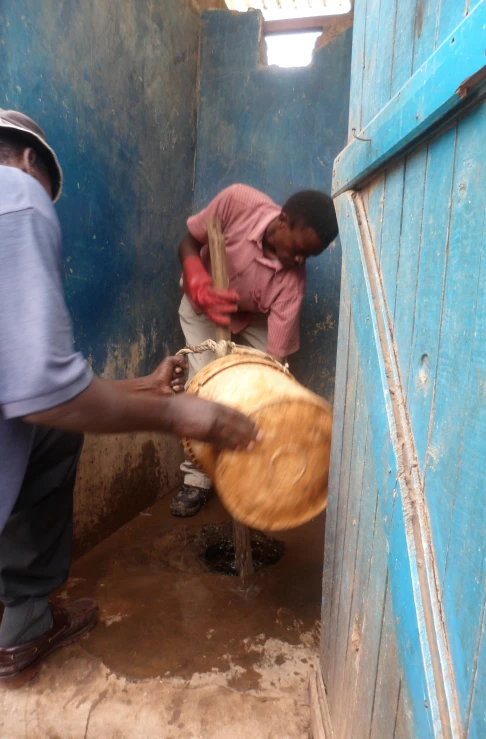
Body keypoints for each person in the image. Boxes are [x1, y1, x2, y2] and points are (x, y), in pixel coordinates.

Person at [0, 110, 260, 689]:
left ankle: (22, 618)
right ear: (28, 158)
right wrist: (173, 412)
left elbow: (22, 386)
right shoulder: (15, 190)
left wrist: (143, 388)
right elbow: (41, 392)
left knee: (52, 432)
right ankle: (21, 628)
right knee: (52, 425)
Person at [171, 183, 338, 518]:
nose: (301, 259)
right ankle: (198, 478)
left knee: (265, 395)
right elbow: (189, 241)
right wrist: (195, 276)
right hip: (204, 302)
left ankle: (254, 477)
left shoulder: (293, 281)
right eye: (299, 249)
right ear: (283, 221)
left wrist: (254, 389)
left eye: (311, 256)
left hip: (252, 319)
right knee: (203, 390)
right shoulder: (238, 202)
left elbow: (275, 362)